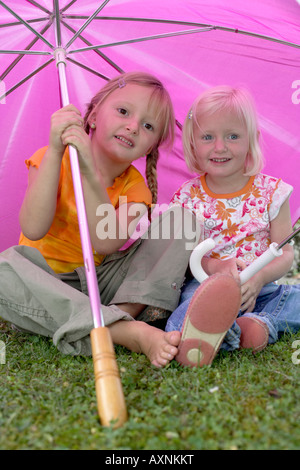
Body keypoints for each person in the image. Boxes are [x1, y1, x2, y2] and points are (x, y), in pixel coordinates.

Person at [0, 72, 200, 367]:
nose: (132, 126)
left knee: (182, 220)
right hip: (44, 283)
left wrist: (91, 176)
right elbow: (33, 227)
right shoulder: (50, 158)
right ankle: (124, 330)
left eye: (147, 126)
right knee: (5, 268)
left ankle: (115, 316)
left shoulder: (135, 188)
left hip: (101, 281)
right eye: (123, 112)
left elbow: (105, 242)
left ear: (150, 147)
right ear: (92, 117)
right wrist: (56, 151)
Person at [165, 85, 300, 367]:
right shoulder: (187, 197)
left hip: (260, 289)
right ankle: (212, 331)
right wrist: (215, 269)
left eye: (233, 136)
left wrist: (258, 279)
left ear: (252, 140)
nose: (220, 147)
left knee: (291, 300)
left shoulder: (272, 192)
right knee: (186, 312)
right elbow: (180, 255)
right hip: (206, 287)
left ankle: (253, 324)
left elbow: (284, 252)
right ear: (192, 143)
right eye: (207, 137)